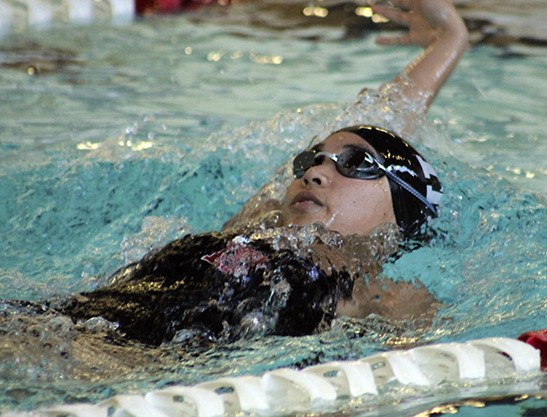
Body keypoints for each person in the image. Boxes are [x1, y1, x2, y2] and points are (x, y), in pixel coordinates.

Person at [23, 0, 470, 348]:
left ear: (401, 220)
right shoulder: (255, 228)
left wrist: (453, 38)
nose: (315, 171)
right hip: (55, 322)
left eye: (356, 164)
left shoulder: (380, 299)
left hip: (103, 365)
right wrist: (446, 41)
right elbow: (380, 120)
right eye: (311, 160)